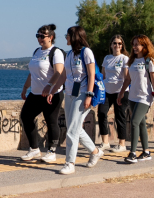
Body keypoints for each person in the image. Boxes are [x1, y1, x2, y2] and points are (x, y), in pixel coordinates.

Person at [51, 26, 102, 175]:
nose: (66, 38)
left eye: (67, 35)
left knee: (72, 129)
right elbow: (63, 76)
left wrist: (89, 95)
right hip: (69, 93)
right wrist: (53, 90)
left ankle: (70, 163)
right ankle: (95, 151)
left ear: (74, 37)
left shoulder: (87, 52)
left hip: (83, 92)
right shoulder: (68, 55)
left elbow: (92, 74)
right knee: (74, 127)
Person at [19, 24, 64, 163]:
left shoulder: (56, 52)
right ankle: (34, 149)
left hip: (52, 93)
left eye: (42, 36)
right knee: (26, 116)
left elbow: (59, 72)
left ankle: (51, 151)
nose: (39, 38)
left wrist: (50, 86)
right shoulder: (37, 52)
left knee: (51, 121)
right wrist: (25, 88)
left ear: (50, 37)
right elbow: (32, 73)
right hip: (36, 93)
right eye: (37, 35)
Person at [115, 35, 154, 164]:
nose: (135, 47)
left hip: (145, 97)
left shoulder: (149, 61)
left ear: (144, 46)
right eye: (134, 44)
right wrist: (121, 93)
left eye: (138, 44)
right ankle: (146, 152)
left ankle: (133, 153)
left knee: (134, 122)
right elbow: (128, 79)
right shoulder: (132, 61)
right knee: (140, 123)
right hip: (132, 97)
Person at [97, 34, 130, 152]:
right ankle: (105, 142)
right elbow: (103, 75)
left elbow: (127, 77)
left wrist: (121, 93)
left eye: (119, 43)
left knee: (119, 116)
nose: (117, 45)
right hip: (107, 91)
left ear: (122, 46)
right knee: (101, 113)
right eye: (115, 43)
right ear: (111, 45)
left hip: (120, 91)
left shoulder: (124, 59)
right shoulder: (107, 58)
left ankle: (122, 144)